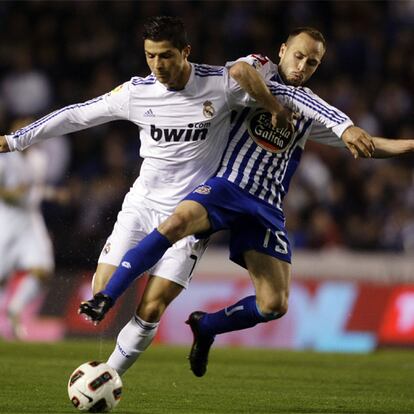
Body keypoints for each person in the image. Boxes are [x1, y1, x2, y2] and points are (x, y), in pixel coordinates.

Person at [0, 18, 357, 371]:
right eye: (150, 56)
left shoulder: (219, 87)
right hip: (141, 206)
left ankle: (107, 375)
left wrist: (324, 123)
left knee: (151, 308)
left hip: (194, 211)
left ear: (186, 52)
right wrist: (16, 140)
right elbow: (77, 116)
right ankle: (105, 366)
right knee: (103, 289)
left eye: (166, 56)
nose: (157, 65)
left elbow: (261, 85)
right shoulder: (136, 93)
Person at [77, 27, 412, 379]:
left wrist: (395, 142)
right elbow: (239, 73)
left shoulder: (308, 109)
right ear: (282, 50)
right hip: (226, 188)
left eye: (312, 62)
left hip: (265, 207)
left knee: (274, 304)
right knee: (175, 223)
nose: (302, 65)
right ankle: (107, 297)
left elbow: (367, 143)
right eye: (298, 55)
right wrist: (340, 123)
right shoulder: (258, 72)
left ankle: (207, 327)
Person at [0, 120, 55, 339]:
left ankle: (16, 308)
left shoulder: (40, 158)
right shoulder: (4, 159)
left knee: (43, 271)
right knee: (2, 276)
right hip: (6, 218)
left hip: (31, 219)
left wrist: (52, 194)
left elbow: (36, 190)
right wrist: (13, 192)